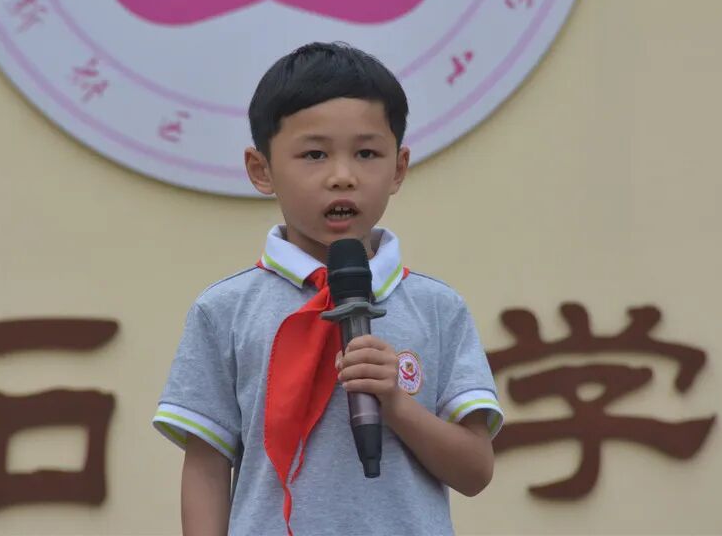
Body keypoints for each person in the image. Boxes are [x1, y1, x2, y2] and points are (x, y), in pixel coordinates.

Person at [153, 42, 503, 535]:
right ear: (261, 170)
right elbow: (207, 466)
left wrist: (396, 403)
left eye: (367, 153)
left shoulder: (437, 308)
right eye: (314, 154)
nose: (343, 177)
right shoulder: (225, 310)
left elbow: (475, 471)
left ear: (399, 168)